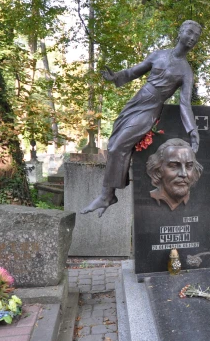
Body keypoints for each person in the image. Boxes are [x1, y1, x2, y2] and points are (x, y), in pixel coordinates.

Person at [80, 20, 202, 217]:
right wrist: (115, 77)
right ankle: (108, 194)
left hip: (151, 108)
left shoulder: (186, 71)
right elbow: (132, 72)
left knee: (117, 145)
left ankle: (106, 195)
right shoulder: (159, 54)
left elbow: (184, 104)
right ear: (180, 32)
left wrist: (192, 130)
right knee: (114, 142)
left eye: (196, 36)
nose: (192, 38)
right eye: (189, 32)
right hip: (136, 102)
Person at [146, 138, 203, 210]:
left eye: (189, 166)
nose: (183, 174)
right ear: (158, 171)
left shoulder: (200, 199)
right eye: (174, 166)